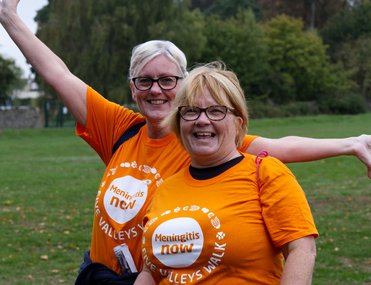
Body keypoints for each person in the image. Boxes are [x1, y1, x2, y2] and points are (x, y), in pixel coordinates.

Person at [0, 0, 369, 283]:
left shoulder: (201, 139)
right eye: (144, 81)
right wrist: (10, 16)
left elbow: (278, 148)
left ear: (185, 84)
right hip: (102, 273)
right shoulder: (119, 127)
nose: (156, 90)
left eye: (167, 80)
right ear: (133, 88)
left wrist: (349, 144)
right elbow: (57, 74)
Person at [135, 61, 318, 285]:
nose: (202, 120)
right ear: (179, 122)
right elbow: (150, 272)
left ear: (238, 124)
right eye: (191, 111)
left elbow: (302, 250)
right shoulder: (165, 189)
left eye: (215, 111)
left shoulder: (265, 173)